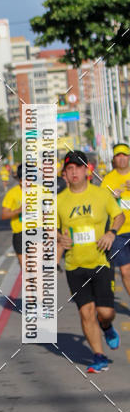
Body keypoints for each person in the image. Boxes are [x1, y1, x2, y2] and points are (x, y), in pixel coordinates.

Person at [57, 150, 125, 374]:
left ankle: (107, 326)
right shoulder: (58, 201)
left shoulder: (101, 194)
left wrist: (112, 233)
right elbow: (50, 228)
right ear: (65, 173)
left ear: (87, 170)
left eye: (78, 167)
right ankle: (99, 356)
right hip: (74, 265)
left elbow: (119, 215)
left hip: (100, 261)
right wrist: (59, 238)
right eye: (69, 168)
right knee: (86, 312)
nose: (74, 172)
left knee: (105, 312)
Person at [101, 142, 130, 300]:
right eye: (118, 156)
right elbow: (100, 206)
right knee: (125, 271)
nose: (122, 159)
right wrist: (111, 198)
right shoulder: (108, 180)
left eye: (124, 155)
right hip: (119, 232)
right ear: (114, 159)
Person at [1, 163, 23, 267]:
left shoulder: (41, 191)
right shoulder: (12, 193)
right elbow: (4, 215)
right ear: (20, 180)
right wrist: (18, 210)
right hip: (20, 234)